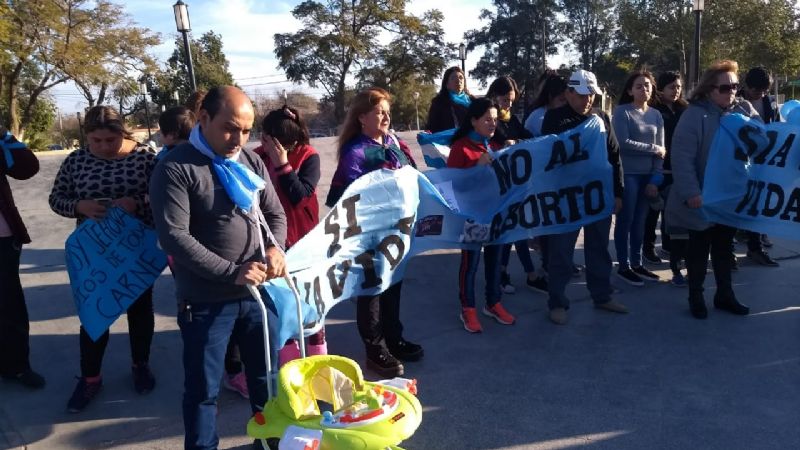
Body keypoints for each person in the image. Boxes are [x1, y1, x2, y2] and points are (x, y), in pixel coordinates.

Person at [149, 86, 287, 449]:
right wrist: (232, 272)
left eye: (246, 130)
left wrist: (275, 247)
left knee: (268, 382)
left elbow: (274, 213)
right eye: (229, 128)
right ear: (204, 118)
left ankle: (270, 444)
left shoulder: (249, 162)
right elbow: (174, 237)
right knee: (203, 392)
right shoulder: (175, 167)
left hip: (258, 298)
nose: (238, 139)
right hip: (206, 302)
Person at [48, 106, 158, 412]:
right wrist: (79, 206)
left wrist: (137, 203)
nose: (104, 147)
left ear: (122, 133)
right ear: (87, 137)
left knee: (140, 311)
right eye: (96, 140)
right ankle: (90, 378)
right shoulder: (76, 160)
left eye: (111, 140)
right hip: (94, 256)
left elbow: (166, 197)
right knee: (94, 316)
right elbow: (56, 199)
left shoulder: (145, 158)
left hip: (136, 252)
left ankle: (140, 365)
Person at [327, 87, 423, 378]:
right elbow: (346, 197)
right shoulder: (355, 152)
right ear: (362, 117)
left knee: (393, 284)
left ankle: (394, 338)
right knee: (372, 290)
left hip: (397, 231)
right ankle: (375, 349)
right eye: (379, 112)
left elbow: (413, 174)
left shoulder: (394, 142)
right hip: (369, 234)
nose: (386, 117)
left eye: (387, 112)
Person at [666, 60, 755, 320]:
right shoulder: (694, 115)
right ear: (708, 89)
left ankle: (724, 294)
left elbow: (761, 143)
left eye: (735, 86)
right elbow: (682, 157)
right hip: (702, 197)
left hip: (728, 197)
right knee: (698, 250)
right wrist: (691, 192)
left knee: (724, 248)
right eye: (725, 88)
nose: (732, 92)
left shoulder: (741, 112)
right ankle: (696, 296)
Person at [541, 69, 627, 325]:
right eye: (581, 94)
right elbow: (546, 156)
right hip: (566, 198)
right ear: (568, 93)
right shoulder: (554, 118)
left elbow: (614, 155)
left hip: (597, 195)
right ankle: (557, 302)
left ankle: (602, 295)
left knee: (598, 247)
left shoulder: (602, 118)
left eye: (591, 95)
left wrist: (618, 192)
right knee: (561, 251)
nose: (587, 100)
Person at [254, 105, 327, 365]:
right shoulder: (256, 158)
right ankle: (291, 364)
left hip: (303, 240)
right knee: (281, 306)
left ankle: (318, 360)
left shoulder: (308, 156)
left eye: (283, 144)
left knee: (311, 303)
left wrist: (282, 164)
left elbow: (300, 196)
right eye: (268, 140)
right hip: (271, 242)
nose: (272, 147)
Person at [447, 97, 517, 333]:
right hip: (473, 217)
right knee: (471, 264)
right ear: (474, 121)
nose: (493, 124)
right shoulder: (461, 148)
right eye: (487, 119)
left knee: (495, 261)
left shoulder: (496, 146)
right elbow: (454, 186)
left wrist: (512, 150)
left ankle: (493, 302)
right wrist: (476, 167)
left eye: (495, 119)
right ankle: (468, 308)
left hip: (497, 214)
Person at [484, 76, 548, 295]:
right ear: (494, 96)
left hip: (514, 182)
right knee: (512, 229)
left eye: (512, 100)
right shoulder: (490, 119)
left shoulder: (511, 119)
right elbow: (491, 142)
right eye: (505, 100)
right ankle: (526, 274)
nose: (508, 105)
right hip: (497, 184)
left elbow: (526, 137)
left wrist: (519, 142)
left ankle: (506, 271)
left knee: (514, 229)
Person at [0, 128, 45, 389]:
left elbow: (28, 168)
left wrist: (5, 136)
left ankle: (16, 366)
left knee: (9, 305)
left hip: (3, 238)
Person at [611, 70, 665, 286]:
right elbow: (623, 143)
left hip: (648, 176)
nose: (644, 89)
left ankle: (637, 262)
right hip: (629, 175)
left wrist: (655, 178)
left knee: (641, 222)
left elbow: (662, 150)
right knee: (626, 220)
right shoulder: (622, 112)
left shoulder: (656, 114)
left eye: (647, 85)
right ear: (630, 90)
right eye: (639, 86)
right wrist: (653, 149)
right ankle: (623, 265)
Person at [737, 66, 779, 267]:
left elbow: (777, 127)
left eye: (764, 91)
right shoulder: (734, 99)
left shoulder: (769, 103)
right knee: (737, 203)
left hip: (762, 161)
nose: (760, 94)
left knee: (757, 203)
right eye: (756, 90)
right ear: (747, 86)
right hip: (739, 160)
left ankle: (756, 246)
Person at [652, 71, 689, 286]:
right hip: (660, 169)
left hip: (680, 170)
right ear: (661, 88)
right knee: (653, 214)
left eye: (678, 87)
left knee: (676, 219)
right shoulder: (655, 110)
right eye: (672, 87)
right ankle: (649, 248)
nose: (676, 91)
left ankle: (673, 255)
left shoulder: (685, 109)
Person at [426, 66, 473, 132]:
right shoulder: (439, 102)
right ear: (447, 84)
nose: (458, 80)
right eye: (453, 78)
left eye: (461, 78)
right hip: (450, 138)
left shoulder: (473, 101)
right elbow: (432, 127)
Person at [524, 71, 568, 137]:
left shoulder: (566, 114)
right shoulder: (538, 117)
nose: (565, 103)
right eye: (561, 100)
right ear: (550, 97)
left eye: (567, 100)